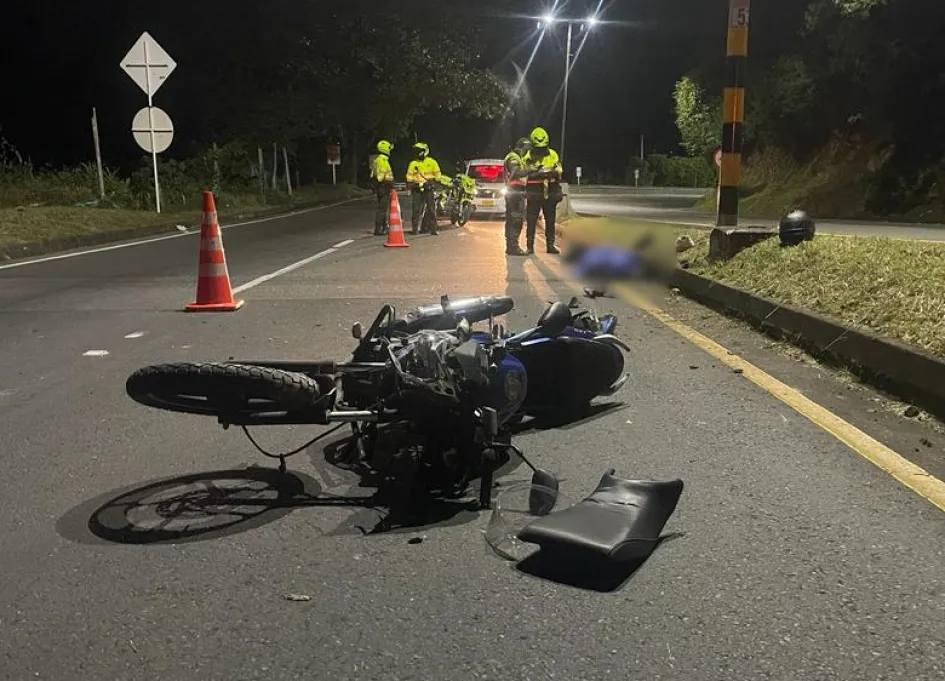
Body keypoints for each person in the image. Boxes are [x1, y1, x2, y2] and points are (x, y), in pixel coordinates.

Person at [522, 126, 563, 254]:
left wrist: (553, 172)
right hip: (534, 192)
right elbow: (523, 174)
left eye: (543, 147)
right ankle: (530, 246)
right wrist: (537, 174)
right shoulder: (526, 158)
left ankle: (550, 245)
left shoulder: (553, 154)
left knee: (550, 220)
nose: (540, 150)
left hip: (550, 191)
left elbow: (559, 169)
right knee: (531, 220)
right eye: (538, 148)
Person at [405, 142, 443, 235]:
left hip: (428, 189)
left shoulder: (432, 162)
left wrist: (431, 182)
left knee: (431, 209)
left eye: (419, 151)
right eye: (416, 151)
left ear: (424, 151)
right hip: (417, 190)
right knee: (416, 209)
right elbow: (409, 177)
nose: (418, 153)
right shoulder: (413, 163)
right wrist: (413, 184)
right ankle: (414, 230)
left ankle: (433, 229)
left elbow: (438, 175)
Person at [502, 137, 531, 255]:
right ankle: (513, 247)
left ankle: (511, 246)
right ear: (520, 148)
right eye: (525, 149)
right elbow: (516, 172)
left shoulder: (518, 157)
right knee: (516, 219)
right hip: (515, 191)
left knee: (512, 219)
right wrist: (531, 170)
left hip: (515, 191)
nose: (526, 152)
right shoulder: (513, 158)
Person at [370, 140, 395, 236]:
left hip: (381, 187)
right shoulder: (382, 161)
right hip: (384, 187)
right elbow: (382, 177)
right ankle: (379, 229)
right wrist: (390, 184)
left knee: (383, 208)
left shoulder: (377, 160)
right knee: (382, 209)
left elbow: (373, 175)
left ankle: (383, 227)